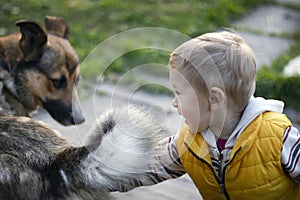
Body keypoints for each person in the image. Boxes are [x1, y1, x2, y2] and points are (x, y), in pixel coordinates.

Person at [113, 31, 300, 199]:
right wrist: (93, 175)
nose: (174, 102)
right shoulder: (188, 141)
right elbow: (146, 168)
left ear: (214, 99)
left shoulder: (279, 138)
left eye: (178, 92)